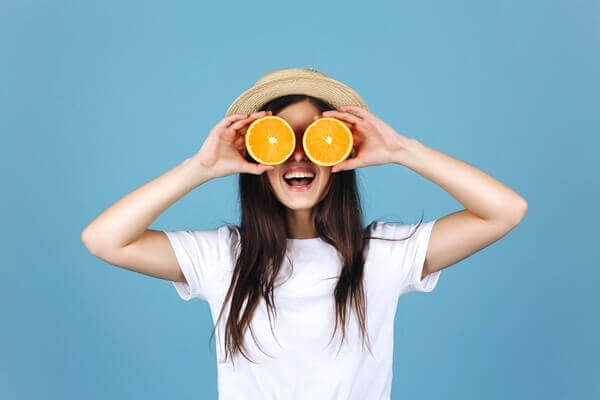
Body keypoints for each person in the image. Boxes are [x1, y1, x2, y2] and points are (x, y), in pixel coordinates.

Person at [81, 67, 528, 399]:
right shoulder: (222, 258)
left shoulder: (383, 256)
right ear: (257, 157)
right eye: (279, 138)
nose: (297, 157)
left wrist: (402, 150)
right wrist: (199, 168)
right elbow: (104, 239)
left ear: (339, 152)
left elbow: (505, 211)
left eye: (315, 138)